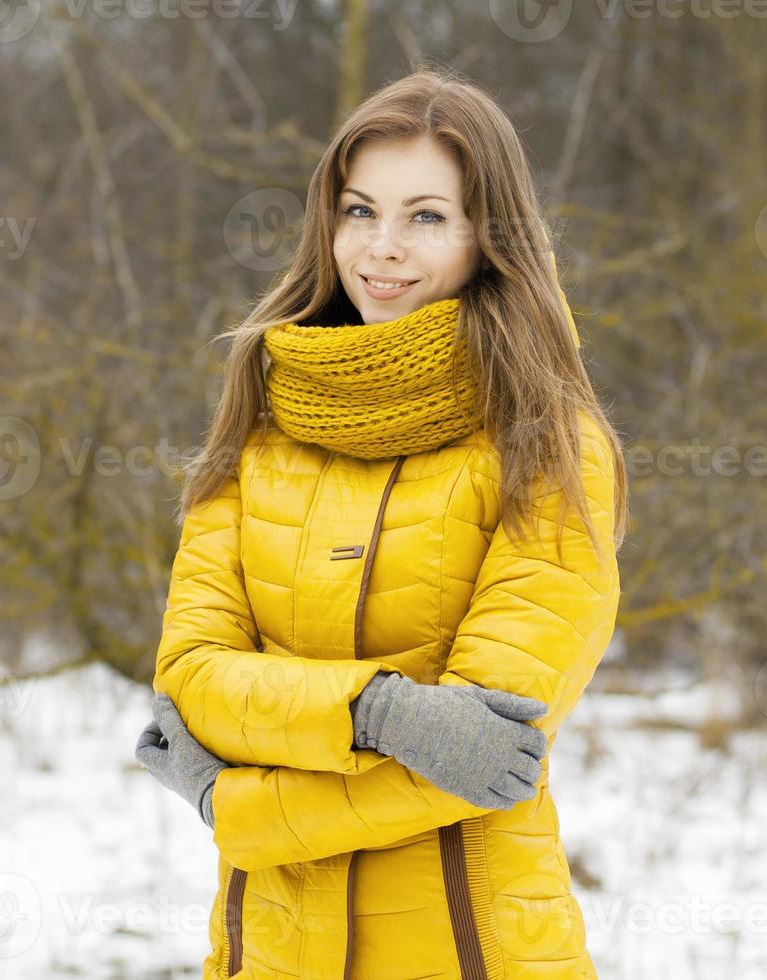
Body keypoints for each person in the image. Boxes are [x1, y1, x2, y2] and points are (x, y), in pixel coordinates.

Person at [134, 65, 628, 980]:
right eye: (359, 211)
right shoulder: (260, 421)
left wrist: (225, 803)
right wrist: (384, 712)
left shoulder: (549, 447)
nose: (382, 249)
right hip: (267, 954)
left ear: (492, 235)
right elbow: (193, 683)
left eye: (426, 217)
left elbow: (484, 752)